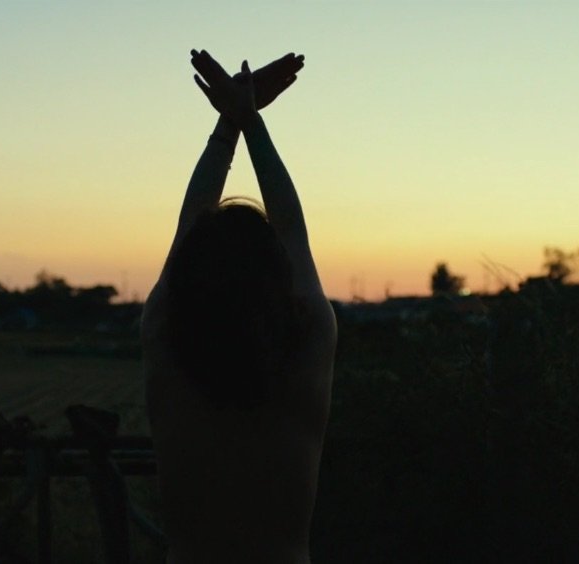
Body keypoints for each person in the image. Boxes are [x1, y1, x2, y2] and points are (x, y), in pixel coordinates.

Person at [141, 49, 338, 563]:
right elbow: (293, 229)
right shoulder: (309, 340)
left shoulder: (165, 333)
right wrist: (249, 122)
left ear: (188, 274)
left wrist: (230, 125)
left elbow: (189, 226)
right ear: (278, 274)